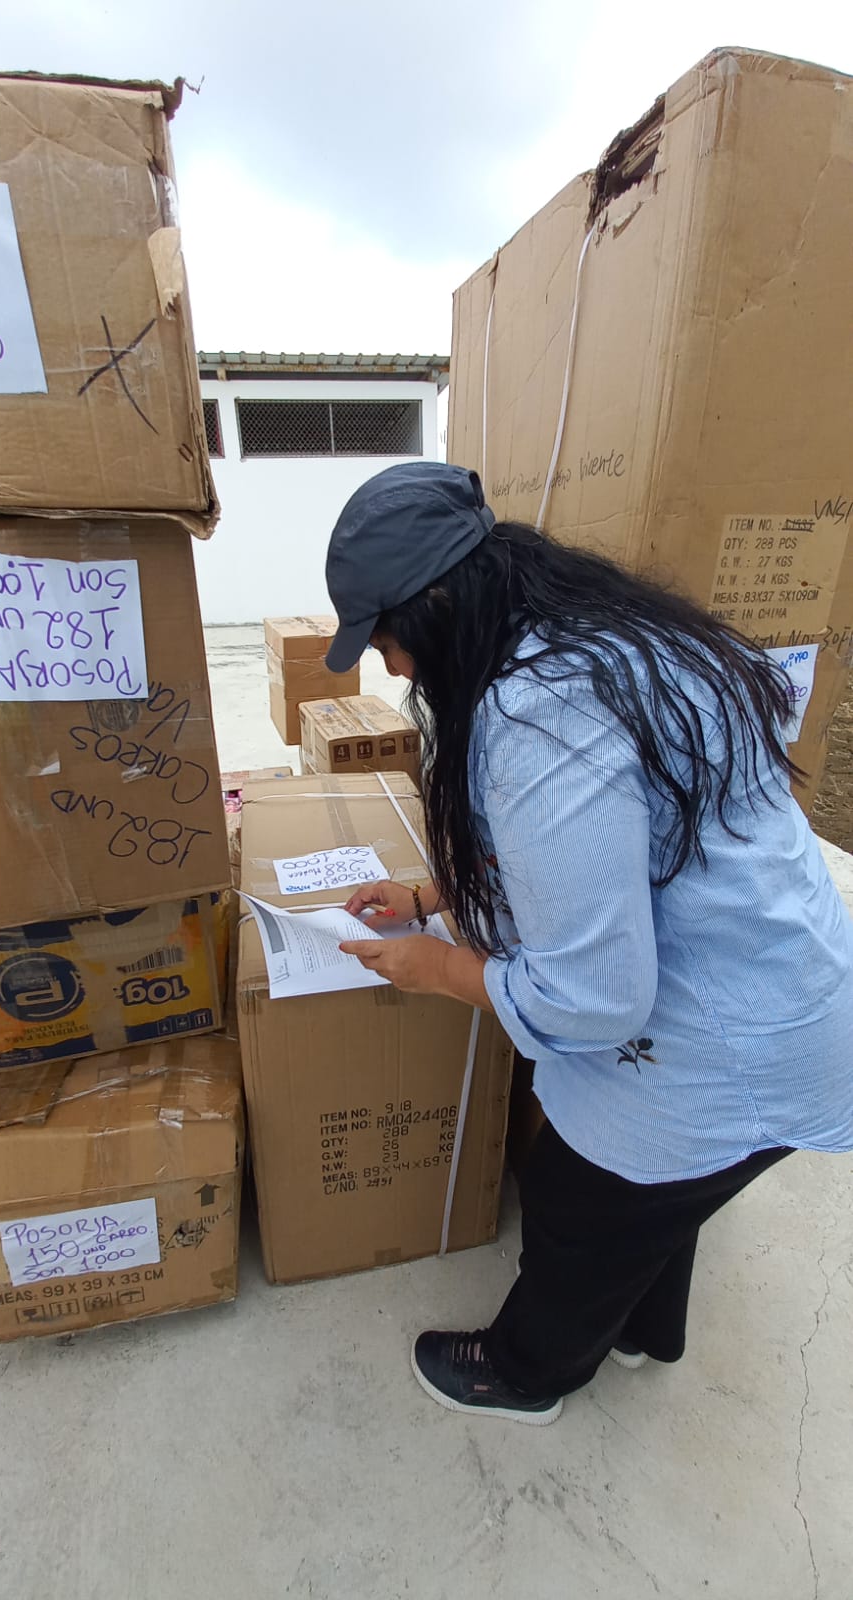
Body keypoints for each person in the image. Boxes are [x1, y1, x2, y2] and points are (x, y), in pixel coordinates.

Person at [324, 461, 853, 1426]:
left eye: (389, 643)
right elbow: (590, 846)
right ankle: (647, 1330)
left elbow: (596, 998)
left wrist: (438, 966)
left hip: (735, 1038)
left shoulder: (540, 715)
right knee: (660, 1195)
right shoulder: (607, 633)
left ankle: (527, 1373)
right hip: (784, 976)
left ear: (437, 606)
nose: (394, 670)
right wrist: (433, 895)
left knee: (580, 1205)